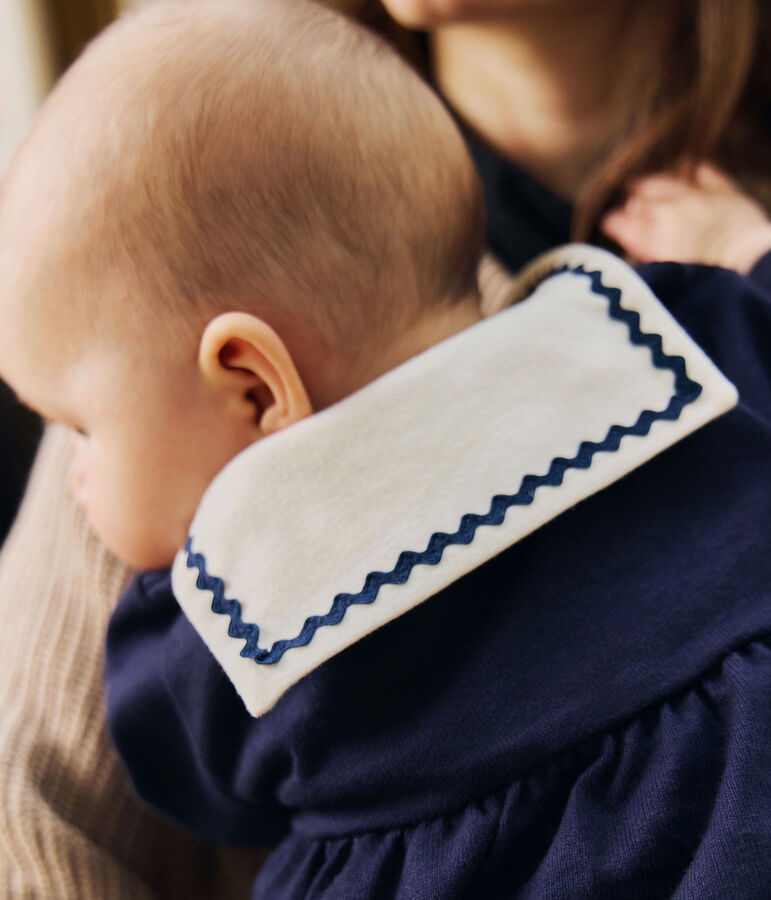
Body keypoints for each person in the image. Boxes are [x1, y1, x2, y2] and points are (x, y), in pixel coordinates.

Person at [1, 2, 768, 899]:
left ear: (253, 387)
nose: (80, 471)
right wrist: (742, 251)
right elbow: (31, 811)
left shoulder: (224, 607)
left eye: (87, 431)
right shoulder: (679, 332)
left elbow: (189, 767)